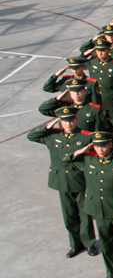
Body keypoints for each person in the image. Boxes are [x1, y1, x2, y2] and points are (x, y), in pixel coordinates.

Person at [27, 108, 97, 258]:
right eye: (64, 120)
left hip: (80, 181)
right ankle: (75, 244)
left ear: (76, 119)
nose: (68, 123)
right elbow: (31, 136)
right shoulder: (53, 136)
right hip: (62, 182)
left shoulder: (85, 137)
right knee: (69, 215)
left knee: (85, 214)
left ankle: (89, 243)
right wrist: (50, 124)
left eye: (71, 120)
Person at [70, 131, 113, 278]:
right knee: (106, 242)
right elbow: (67, 162)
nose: (100, 149)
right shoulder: (89, 159)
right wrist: (81, 151)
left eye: (103, 146)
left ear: (110, 144)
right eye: (97, 146)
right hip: (99, 210)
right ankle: (111, 272)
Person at [85, 38, 113, 154]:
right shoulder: (92, 63)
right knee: (102, 128)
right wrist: (92, 41)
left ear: (109, 50)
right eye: (98, 51)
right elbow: (81, 56)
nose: (100, 53)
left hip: (112, 102)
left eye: (103, 50)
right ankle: (107, 150)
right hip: (97, 103)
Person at [38, 77, 102, 133]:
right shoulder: (64, 107)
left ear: (84, 91)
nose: (76, 94)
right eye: (73, 92)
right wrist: (57, 99)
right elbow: (43, 109)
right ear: (69, 93)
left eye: (79, 91)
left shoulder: (93, 109)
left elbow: (100, 129)